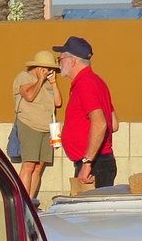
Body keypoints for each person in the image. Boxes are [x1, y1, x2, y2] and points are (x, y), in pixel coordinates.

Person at [54, 35, 118, 192]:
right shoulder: (96, 82)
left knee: (90, 215)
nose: (59, 64)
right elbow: (113, 124)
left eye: (60, 59)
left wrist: (87, 162)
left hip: (94, 165)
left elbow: (101, 123)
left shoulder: (86, 84)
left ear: (72, 61)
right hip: (94, 163)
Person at [11, 48, 62, 199]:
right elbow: (29, 96)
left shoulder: (48, 83)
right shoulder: (24, 77)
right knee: (29, 164)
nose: (49, 72)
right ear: (39, 67)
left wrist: (53, 83)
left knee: (39, 167)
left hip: (46, 128)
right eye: (47, 69)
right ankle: (22, 200)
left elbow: (58, 102)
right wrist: (40, 80)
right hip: (29, 125)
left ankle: (31, 201)